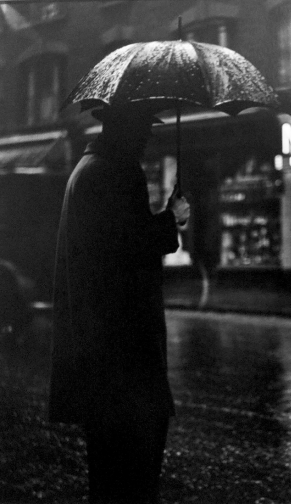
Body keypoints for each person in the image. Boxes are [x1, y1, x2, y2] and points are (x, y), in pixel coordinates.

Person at [48, 104, 190, 504]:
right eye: (143, 128)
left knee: (109, 478)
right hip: (122, 359)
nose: (147, 138)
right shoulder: (115, 172)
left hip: (104, 357)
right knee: (132, 477)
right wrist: (170, 218)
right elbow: (125, 248)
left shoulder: (89, 168)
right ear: (126, 128)